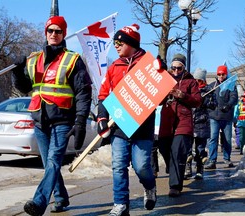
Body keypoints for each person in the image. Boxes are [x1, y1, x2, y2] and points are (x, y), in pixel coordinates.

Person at [12, 16, 92, 215]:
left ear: (64, 34)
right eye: (50, 31)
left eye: (58, 31)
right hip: (40, 120)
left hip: (63, 120)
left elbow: (83, 92)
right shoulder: (33, 59)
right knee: (49, 164)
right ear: (45, 33)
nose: (54, 34)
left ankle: (39, 202)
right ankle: (62, 198)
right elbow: (25, 89)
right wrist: (18, 72)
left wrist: (80, 121)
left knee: (53, 162)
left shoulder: (72, 59)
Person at [97, 24, 157, 216]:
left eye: (119, 42)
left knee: (141, 166)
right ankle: (120, 204)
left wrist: (162, 74)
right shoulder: (114, 66)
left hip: (142, 126)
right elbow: (104, 94)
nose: (116, 45)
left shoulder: (149, 66)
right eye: (115, 42)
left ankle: (149, 187)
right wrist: (102, 116)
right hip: (120, 125)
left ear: (131, 42)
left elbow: (160, 96)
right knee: (119, 165)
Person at [158, 54, 202, 197]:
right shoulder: (164, 79)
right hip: (167, 121)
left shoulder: (191, 81)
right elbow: (156, 98)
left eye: (179, 68)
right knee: (164, 148)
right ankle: (174, 169)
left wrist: (182, 95)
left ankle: (175, 186)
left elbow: (197, 101)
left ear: (184, 67)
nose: (176, 71)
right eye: (173, 68)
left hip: (183, 122)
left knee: (177, 152)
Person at [184, 68, 217, 180]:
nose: (197, 83)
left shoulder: (209, 91)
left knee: (200, 149)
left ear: (203, 80)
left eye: (200, 81)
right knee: (187, 149)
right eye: (196, 80)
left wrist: (206, 100)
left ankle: (199, 169)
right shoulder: (190, 89)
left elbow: (213, 105)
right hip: (189, 122)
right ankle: (188, 169)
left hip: (202, 123)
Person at [205, 65, 238, 169]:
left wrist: (228, 105)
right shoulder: (212, 86)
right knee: (213, 138)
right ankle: (212, 160)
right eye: (219, 74)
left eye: (222, 74)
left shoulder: (231, 85)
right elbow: (206, 96)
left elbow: (234, 97)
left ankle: (227, 158)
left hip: (226, 117)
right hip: (214, 116)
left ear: (226, 74)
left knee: (227, 139)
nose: (220, 76)